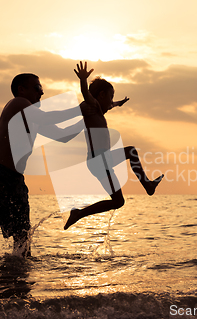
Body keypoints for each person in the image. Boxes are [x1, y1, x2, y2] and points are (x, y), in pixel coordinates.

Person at [0, 73, 88, 261]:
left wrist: (87, 119)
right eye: (37, 87)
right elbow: (48, 119)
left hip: (9, 177)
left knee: (16, 234)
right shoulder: (17, 103)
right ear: (21, 89)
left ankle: (13, 278)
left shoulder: (31, 117)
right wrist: (80, 109)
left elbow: (63, 136)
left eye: (41, 88)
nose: (41, 92)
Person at [64, 62, 164, 230]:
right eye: (110, 97)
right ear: (101, 95)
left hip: (101, 161)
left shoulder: (100, 109)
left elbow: (110, 105)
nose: (111, 102)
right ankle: (148, 185)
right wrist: (83, 80)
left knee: (118, 201)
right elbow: (86, 94)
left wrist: (119, 102)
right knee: (131, 151)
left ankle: (78, 214)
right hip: (99, 160)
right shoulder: (93, 106)